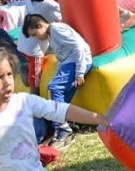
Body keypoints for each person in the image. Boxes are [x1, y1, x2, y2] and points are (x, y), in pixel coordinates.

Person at [23, 13, 93, 150]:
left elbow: (78, 47)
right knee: (58, 96)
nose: (36, 38)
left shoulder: (56, 29)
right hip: (69, 63)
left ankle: (63, 129)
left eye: (35, 34)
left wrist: (79, 71)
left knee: (55, 88)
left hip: (77, 62)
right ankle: (62, 124)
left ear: (40, 26)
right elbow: (63, 56)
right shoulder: (51, 35)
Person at [17, 0, 61, 96]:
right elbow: (63, 12)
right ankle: (35, 97)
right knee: (35, 78)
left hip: (24, 42)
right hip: (34, 49)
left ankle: (25, 67)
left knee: (36, 67)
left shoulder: (29, 2)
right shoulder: (50, 6)